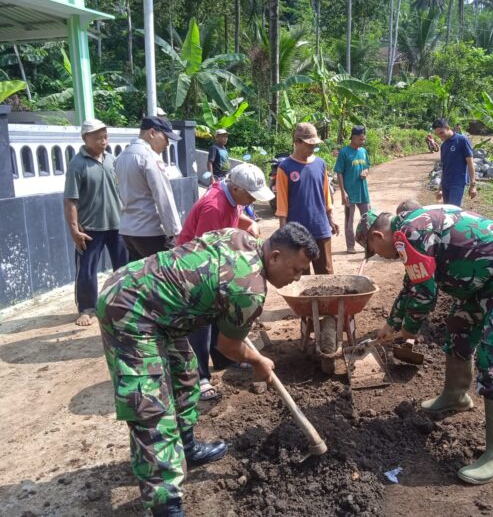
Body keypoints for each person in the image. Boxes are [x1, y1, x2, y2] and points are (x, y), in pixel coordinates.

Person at [96, 223, 319, 517]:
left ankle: (186, 448)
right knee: (150, 409)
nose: (297, 278)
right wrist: (257, 361)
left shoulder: (241, 237)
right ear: (275, 256)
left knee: (186, 375)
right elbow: (228, 347)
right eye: (297, 270)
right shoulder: (249, 290)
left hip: (162, 309)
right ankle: (167, 506)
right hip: (130, 307)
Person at [355, 206, 493, 485]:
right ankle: (455, 396)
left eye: (375, 251)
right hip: (485, 283)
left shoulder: (408, 233)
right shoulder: (412, 226)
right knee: (458, 329)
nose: (383, 257)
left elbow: (424, 295)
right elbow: (412, 283)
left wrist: (408, 330)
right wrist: (391, 323)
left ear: (376, 235)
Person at [178, 163, 275, 399]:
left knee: (218, 314)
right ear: (235, 188)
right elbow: (205, 250)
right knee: (200, 322)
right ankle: (200, 376)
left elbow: (235, 213)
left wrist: (247, 223)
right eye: (250, 195)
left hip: (213, 265)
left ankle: (223, 358)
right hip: (194, 268)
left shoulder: (232, 196)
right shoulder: (213, 206)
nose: (252, 200)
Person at [63, 119, 128, 326]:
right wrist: (74, 230)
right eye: (98, 138)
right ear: (85, 139)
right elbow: (70, 200)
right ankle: (86, 309)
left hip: (117, 225)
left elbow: (121, 191)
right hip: (89, 228)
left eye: (105, 137)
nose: (103, 141)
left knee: (123, 267)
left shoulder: (111, 160)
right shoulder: (77, 165)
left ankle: (124, 302)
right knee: (87, 270)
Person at [115, 116, 182, 261]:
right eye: (165, 137)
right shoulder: (149, 157)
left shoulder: (121, 156)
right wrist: (175, 232)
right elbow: (163, 196)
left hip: (128, 230)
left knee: (139, 278)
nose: (167, 143)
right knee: (164, 278)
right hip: (150, 231)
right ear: (152, 133)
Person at [275, 122, 339, 274]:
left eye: (314, 145)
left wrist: (331, 218)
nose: (312, 148)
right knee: (301, 274)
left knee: (326, 271)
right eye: (309, 145)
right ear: (297, 142)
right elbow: (282, 203)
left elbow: (326, 195)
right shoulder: (285, 167)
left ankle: (328, 300)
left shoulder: (320, 164)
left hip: (320, 227)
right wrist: (283, 232)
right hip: (297, 231)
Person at [335, 125, 371, 254]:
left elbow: (367, 166)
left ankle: (368, 244)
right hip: (349, 193)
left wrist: (366, 172)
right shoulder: (344, 152)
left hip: (363, 193)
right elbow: (339, 172)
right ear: (354, 138)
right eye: (361, 139)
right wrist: (343, 192)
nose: (363, 141)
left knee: (367, 219)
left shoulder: (363, 151)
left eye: (363, 139)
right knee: (348, 221)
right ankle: (350, 246)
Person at [432, 118, 477, 206]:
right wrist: (440, 188)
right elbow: (445, 167)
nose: (440, 136)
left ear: (448, 128)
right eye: (438, 134)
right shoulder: (444, 145)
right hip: (446, 184)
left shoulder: (462, 140)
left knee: (453, 211)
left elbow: (470, 163)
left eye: (442, 133)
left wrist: (473, 185)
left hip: (457, 183)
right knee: (447, 211)